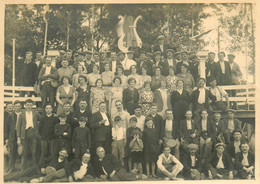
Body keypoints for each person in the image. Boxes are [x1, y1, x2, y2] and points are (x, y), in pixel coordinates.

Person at [4, 148, 68, 183]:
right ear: (59, 153)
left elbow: (57, 174)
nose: (62, 154)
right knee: (22, 173)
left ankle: (17, 179)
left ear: (66, 155)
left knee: (28, 178)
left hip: (42, 174)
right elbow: (43, 160)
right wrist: (42, 167)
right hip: (38, 168)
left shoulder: (65, 164)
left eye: (64, 153)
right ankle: (4, 178)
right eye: (61, 152)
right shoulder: (54, 157)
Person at [17, 99, 41, 169]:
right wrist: (18, 138)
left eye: (30, 105)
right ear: (25, 106)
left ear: (32, 106)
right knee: (25, 153)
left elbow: (42, 120)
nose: (29, 106)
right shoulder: (22, 114)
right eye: (27, 105)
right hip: (24, 134)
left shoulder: (36, 113)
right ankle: (22, 169)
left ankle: (35, 168)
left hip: (33, 133)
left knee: (34, 152)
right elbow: (18, 126)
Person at [4, 102, 14, 172]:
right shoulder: (4, 115)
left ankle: (11, 168)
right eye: (9, 107)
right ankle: (6, 168)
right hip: (5, 136)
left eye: (11, 107)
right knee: (6, 153)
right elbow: (5, 128)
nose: (10, 108)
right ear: (6, 108)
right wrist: (6, 138)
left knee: (11, 152)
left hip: (12, 136)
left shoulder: (14, 115)